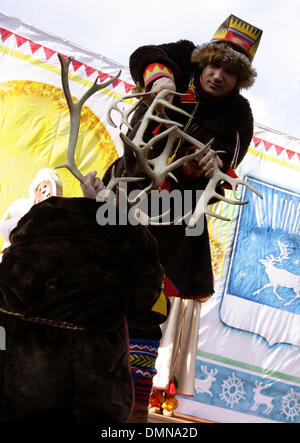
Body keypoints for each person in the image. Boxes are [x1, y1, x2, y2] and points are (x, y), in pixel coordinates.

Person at [102, 14, 263, 418]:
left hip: (172, 221)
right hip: (125, 192)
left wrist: (209, 167)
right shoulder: (180, 58)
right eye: (216, 65)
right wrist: (161, 81)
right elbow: (145, 56)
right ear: (204, 60)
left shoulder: (239, 117)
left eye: (231, 71)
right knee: (97, 281)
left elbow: (224, 174)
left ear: (239, 80)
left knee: (146, 309)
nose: (218, 76)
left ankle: (134, 406)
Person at [0, 171, 168, 423]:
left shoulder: (36, 224)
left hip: (10, 385)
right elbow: (151, 312)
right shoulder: (132, 242)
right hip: (84, 397)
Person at [0, 168, 63, 252]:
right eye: (44, 190)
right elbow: (4, 227)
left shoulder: (53, 216)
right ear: (40, 188)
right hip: (14, 254)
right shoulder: (20, 205)